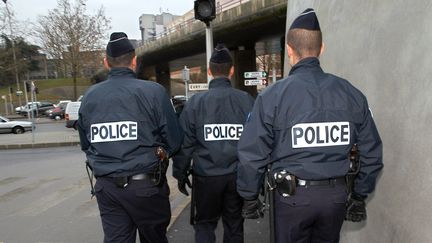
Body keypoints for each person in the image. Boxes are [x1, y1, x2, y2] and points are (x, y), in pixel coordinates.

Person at [237, 8, 383, 243]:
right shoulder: (352, 94)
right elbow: (373, 153)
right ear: (321, 49)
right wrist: (358, 196)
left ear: (289, 50)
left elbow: (252, 152)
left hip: (291, 199)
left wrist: (249, 196)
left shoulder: (273, 96)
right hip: (335, 198)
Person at [77, 32, 183, 243]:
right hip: (146, 186)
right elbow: (174, 140)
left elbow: (86, 143)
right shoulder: (153, 92)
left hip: (107, 188)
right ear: (134, 61)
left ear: (106, 63)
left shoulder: (90, 96)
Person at [173, 43, 255, 243]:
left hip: (206, 177)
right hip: (236, 177)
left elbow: (185, 144)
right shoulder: (246, 100)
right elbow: (255, 143)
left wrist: (180, 173)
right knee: (234, 225)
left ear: (209, 71)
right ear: (232, 70)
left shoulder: (195, 103)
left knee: (204, 225)